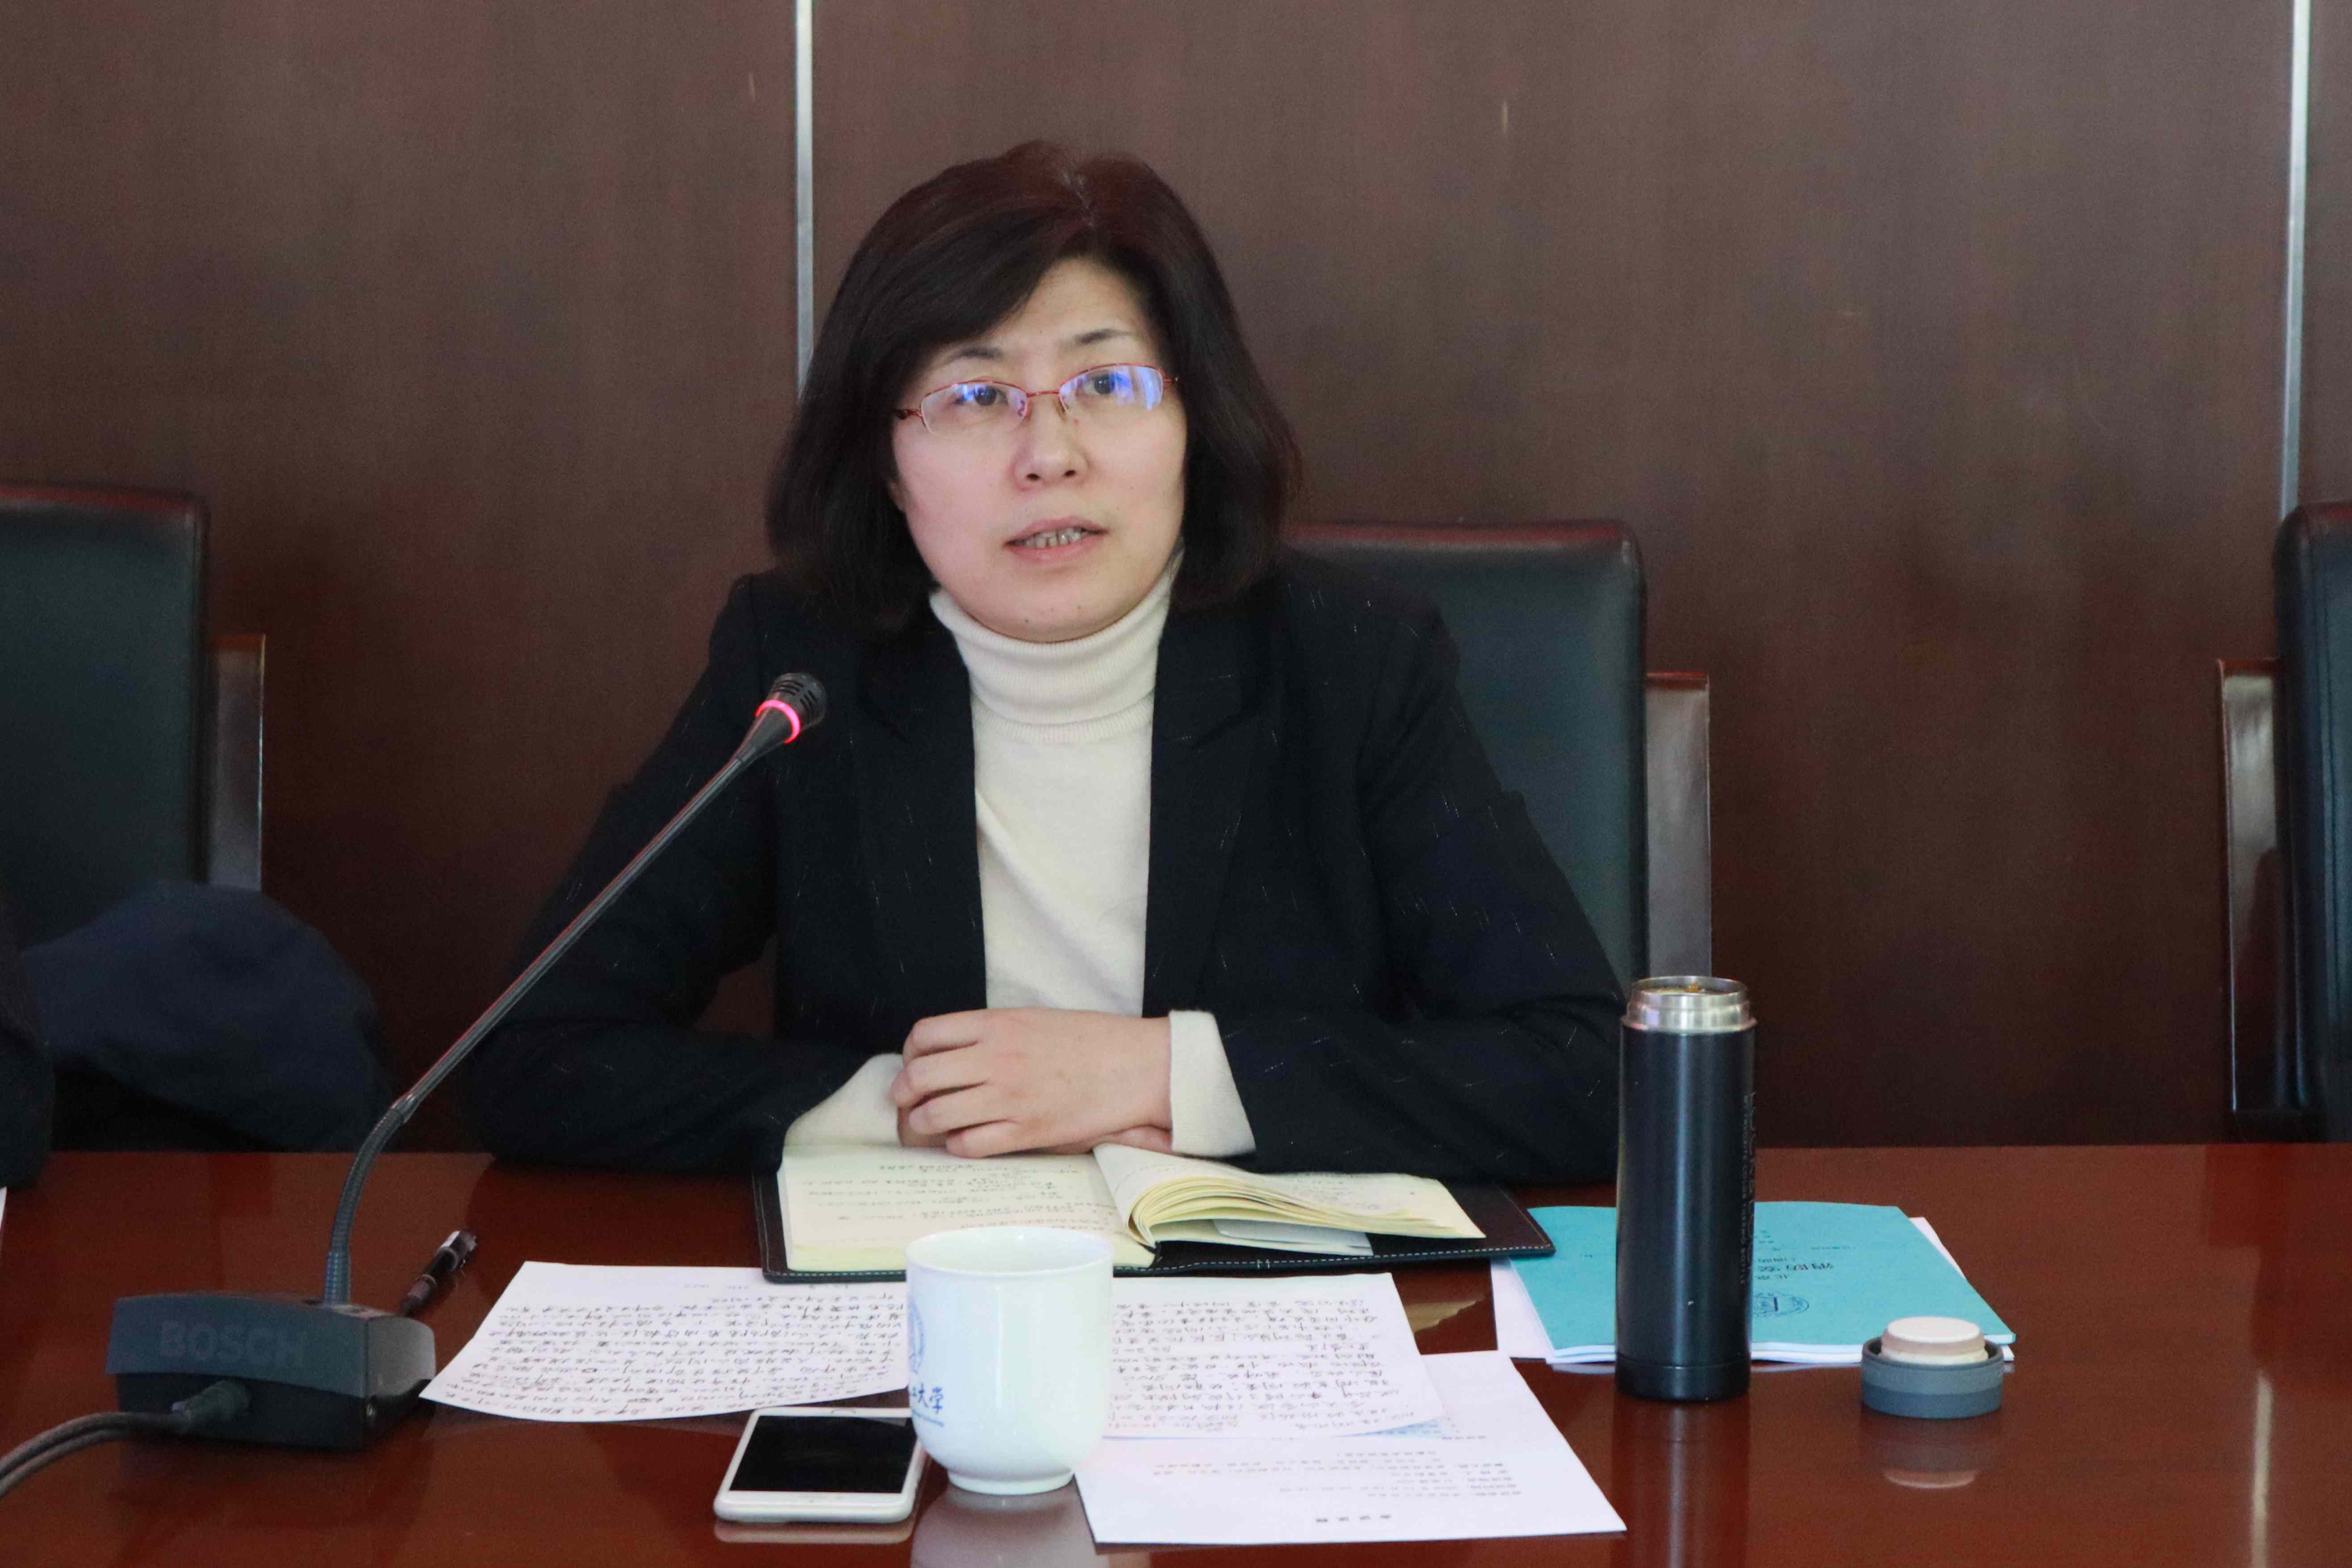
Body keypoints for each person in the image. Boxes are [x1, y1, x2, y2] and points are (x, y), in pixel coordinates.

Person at [473, 143, 1622, 1182]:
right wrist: (910, 1104)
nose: (1049, 456)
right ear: (884, 466)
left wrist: (1161, 1074)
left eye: (1106, 384)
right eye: (976, 397)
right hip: (924, 1304)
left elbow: (1587, 1074)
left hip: (1264, 1311)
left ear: (1194, 420)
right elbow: (534, 1053)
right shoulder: (803, 671)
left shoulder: (1351, 664)